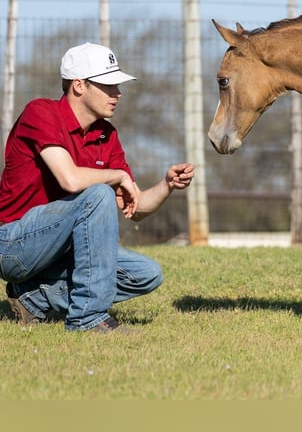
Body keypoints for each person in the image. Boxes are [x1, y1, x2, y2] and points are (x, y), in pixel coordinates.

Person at [0, 42, 194, 333]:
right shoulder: (41, 113)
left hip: (59, 249)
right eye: (108, 85)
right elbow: (71, 180)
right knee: (98, 193)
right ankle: (88, 319)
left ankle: (34, 299)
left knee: (145, 274)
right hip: (14, 246)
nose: (118, 93)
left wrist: (167, 185)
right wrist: (115, 176)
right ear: (79, 85)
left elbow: (136, 207)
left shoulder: (106, 135)